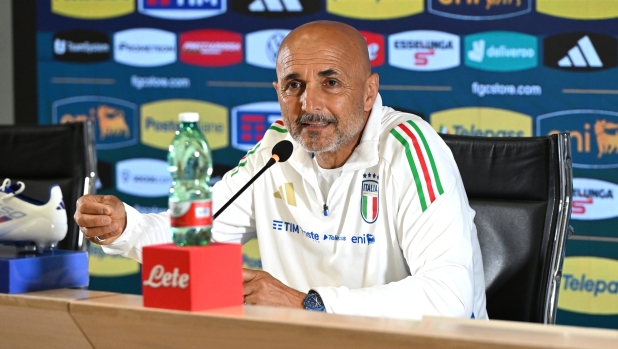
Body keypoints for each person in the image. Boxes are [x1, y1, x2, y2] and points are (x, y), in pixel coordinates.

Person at [75, 21, 488, 320]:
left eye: (330, 83)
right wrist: (125, 226)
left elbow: (449, 297)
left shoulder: (409, 148)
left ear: (368, 92)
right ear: (277, 91)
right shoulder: (277, 149)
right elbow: (194, 235)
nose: (308, 104)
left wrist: (309, 303)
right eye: (293, 85)